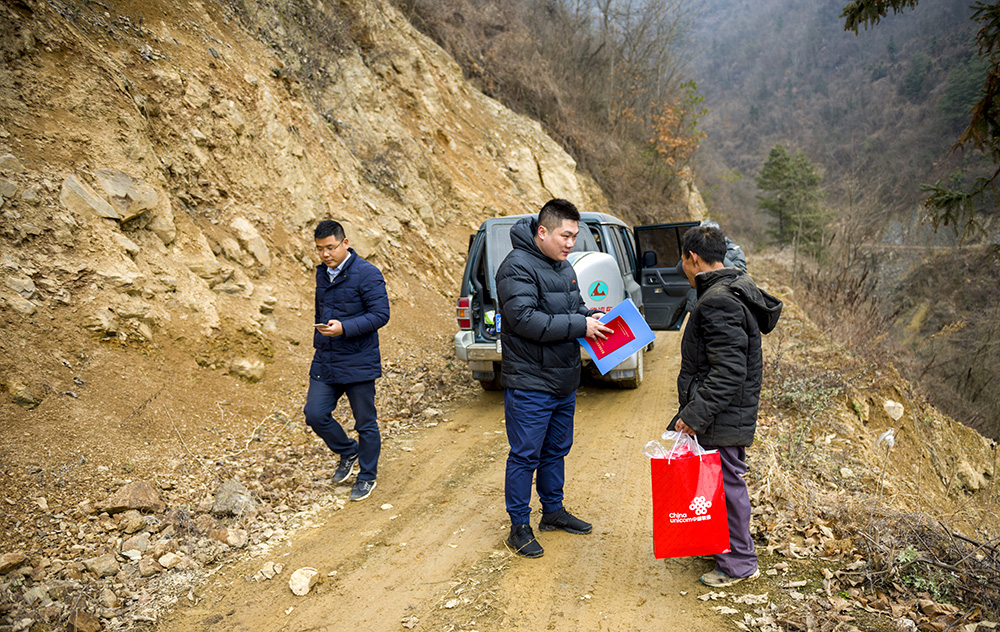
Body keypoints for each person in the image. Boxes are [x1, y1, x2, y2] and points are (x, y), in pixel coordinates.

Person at [495, 198, 613, 558]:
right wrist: (581, 324)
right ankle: (518, 526)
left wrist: (594, 316)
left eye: (574, 237)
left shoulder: (564, 268)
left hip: (563, 380)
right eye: (565, 235)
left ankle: (553, 511)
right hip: (531, 382)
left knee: (556, 450)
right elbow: (525, 319)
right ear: (542, 231)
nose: (570, 243)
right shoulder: (516, 267)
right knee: (525, 455)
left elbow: (575, 308)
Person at [669, 223, 782, 587]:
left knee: (727, 486)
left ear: (694, 258)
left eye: (683, 261)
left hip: (722, 415)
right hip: (723, 413)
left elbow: (729, 371)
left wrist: (694, 415)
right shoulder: (730, 289)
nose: (682, 267)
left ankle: (739, 563)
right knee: (719, 483)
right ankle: (723, 548)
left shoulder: (718, 300)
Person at [304, 220, 390, 502]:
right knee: (315, 414)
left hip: (358, 359)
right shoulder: (322, 274)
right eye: (320, 249)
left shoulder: (367, 274)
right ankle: (347, 451)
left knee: (365, 422)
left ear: (345, 243)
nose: (325, 254)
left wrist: (344, 327)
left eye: (330, 247)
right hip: (326, 359)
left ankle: (367, 476)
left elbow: (381, 315)